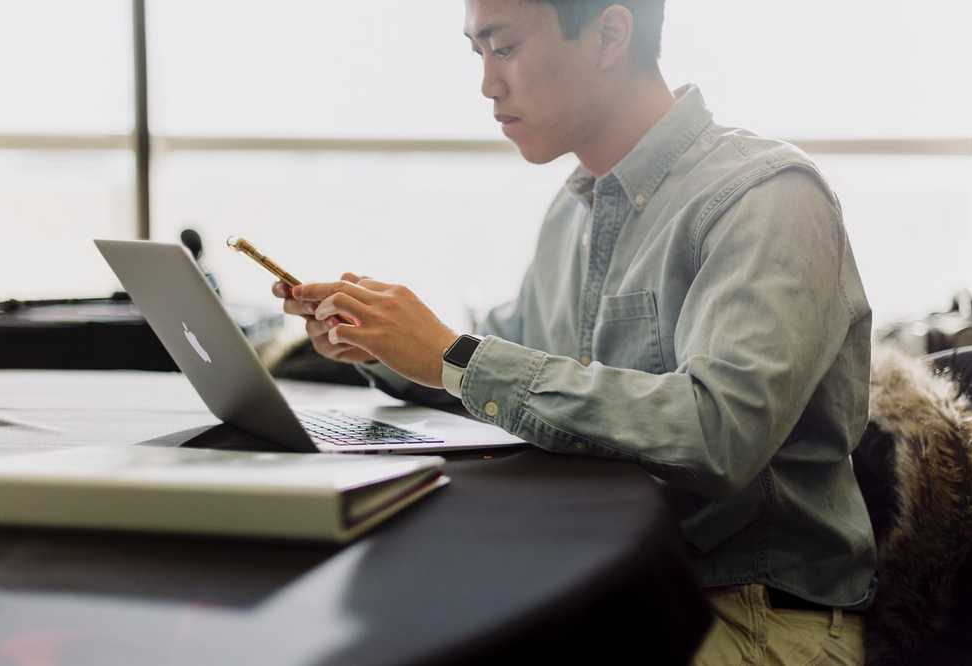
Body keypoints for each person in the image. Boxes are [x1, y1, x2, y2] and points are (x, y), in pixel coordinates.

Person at [273, 1, 875, 662]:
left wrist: (454, 356)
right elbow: (504, 372)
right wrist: (386, 345)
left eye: (502, 47)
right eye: (477, 53)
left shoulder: (765, 198)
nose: (487, 85)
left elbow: (717, 431)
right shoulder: (573, 211)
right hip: (610, 581)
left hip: (746, 611)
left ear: (610, 34)